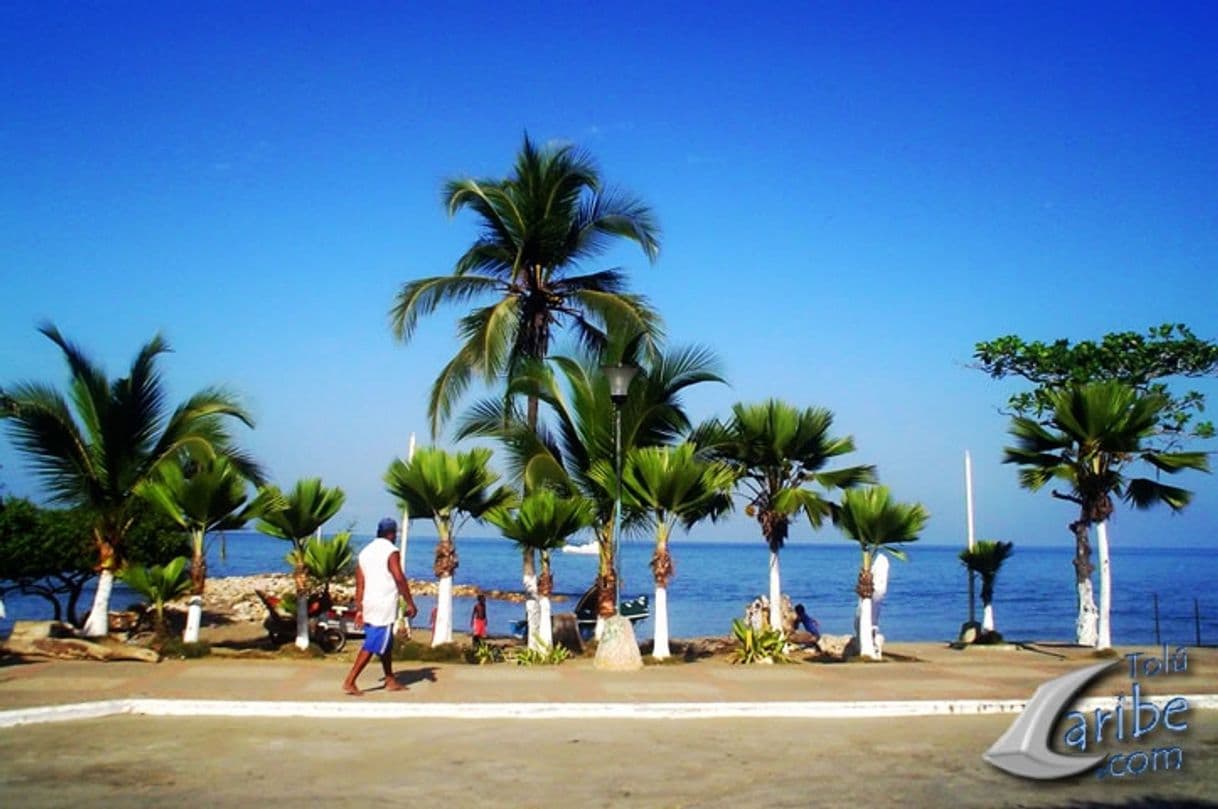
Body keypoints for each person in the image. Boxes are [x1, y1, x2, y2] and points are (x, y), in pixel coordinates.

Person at [342, 517, 417, 696]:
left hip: (369, 603)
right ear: (391, 534)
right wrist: (409, 601)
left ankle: (390, 679)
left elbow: (359, 583)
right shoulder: (391, 551)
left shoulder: (365, 552)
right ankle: (350, 681)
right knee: (373, 643)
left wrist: (360, 608)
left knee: (386, 644)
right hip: (383, 605)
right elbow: (399, 577)